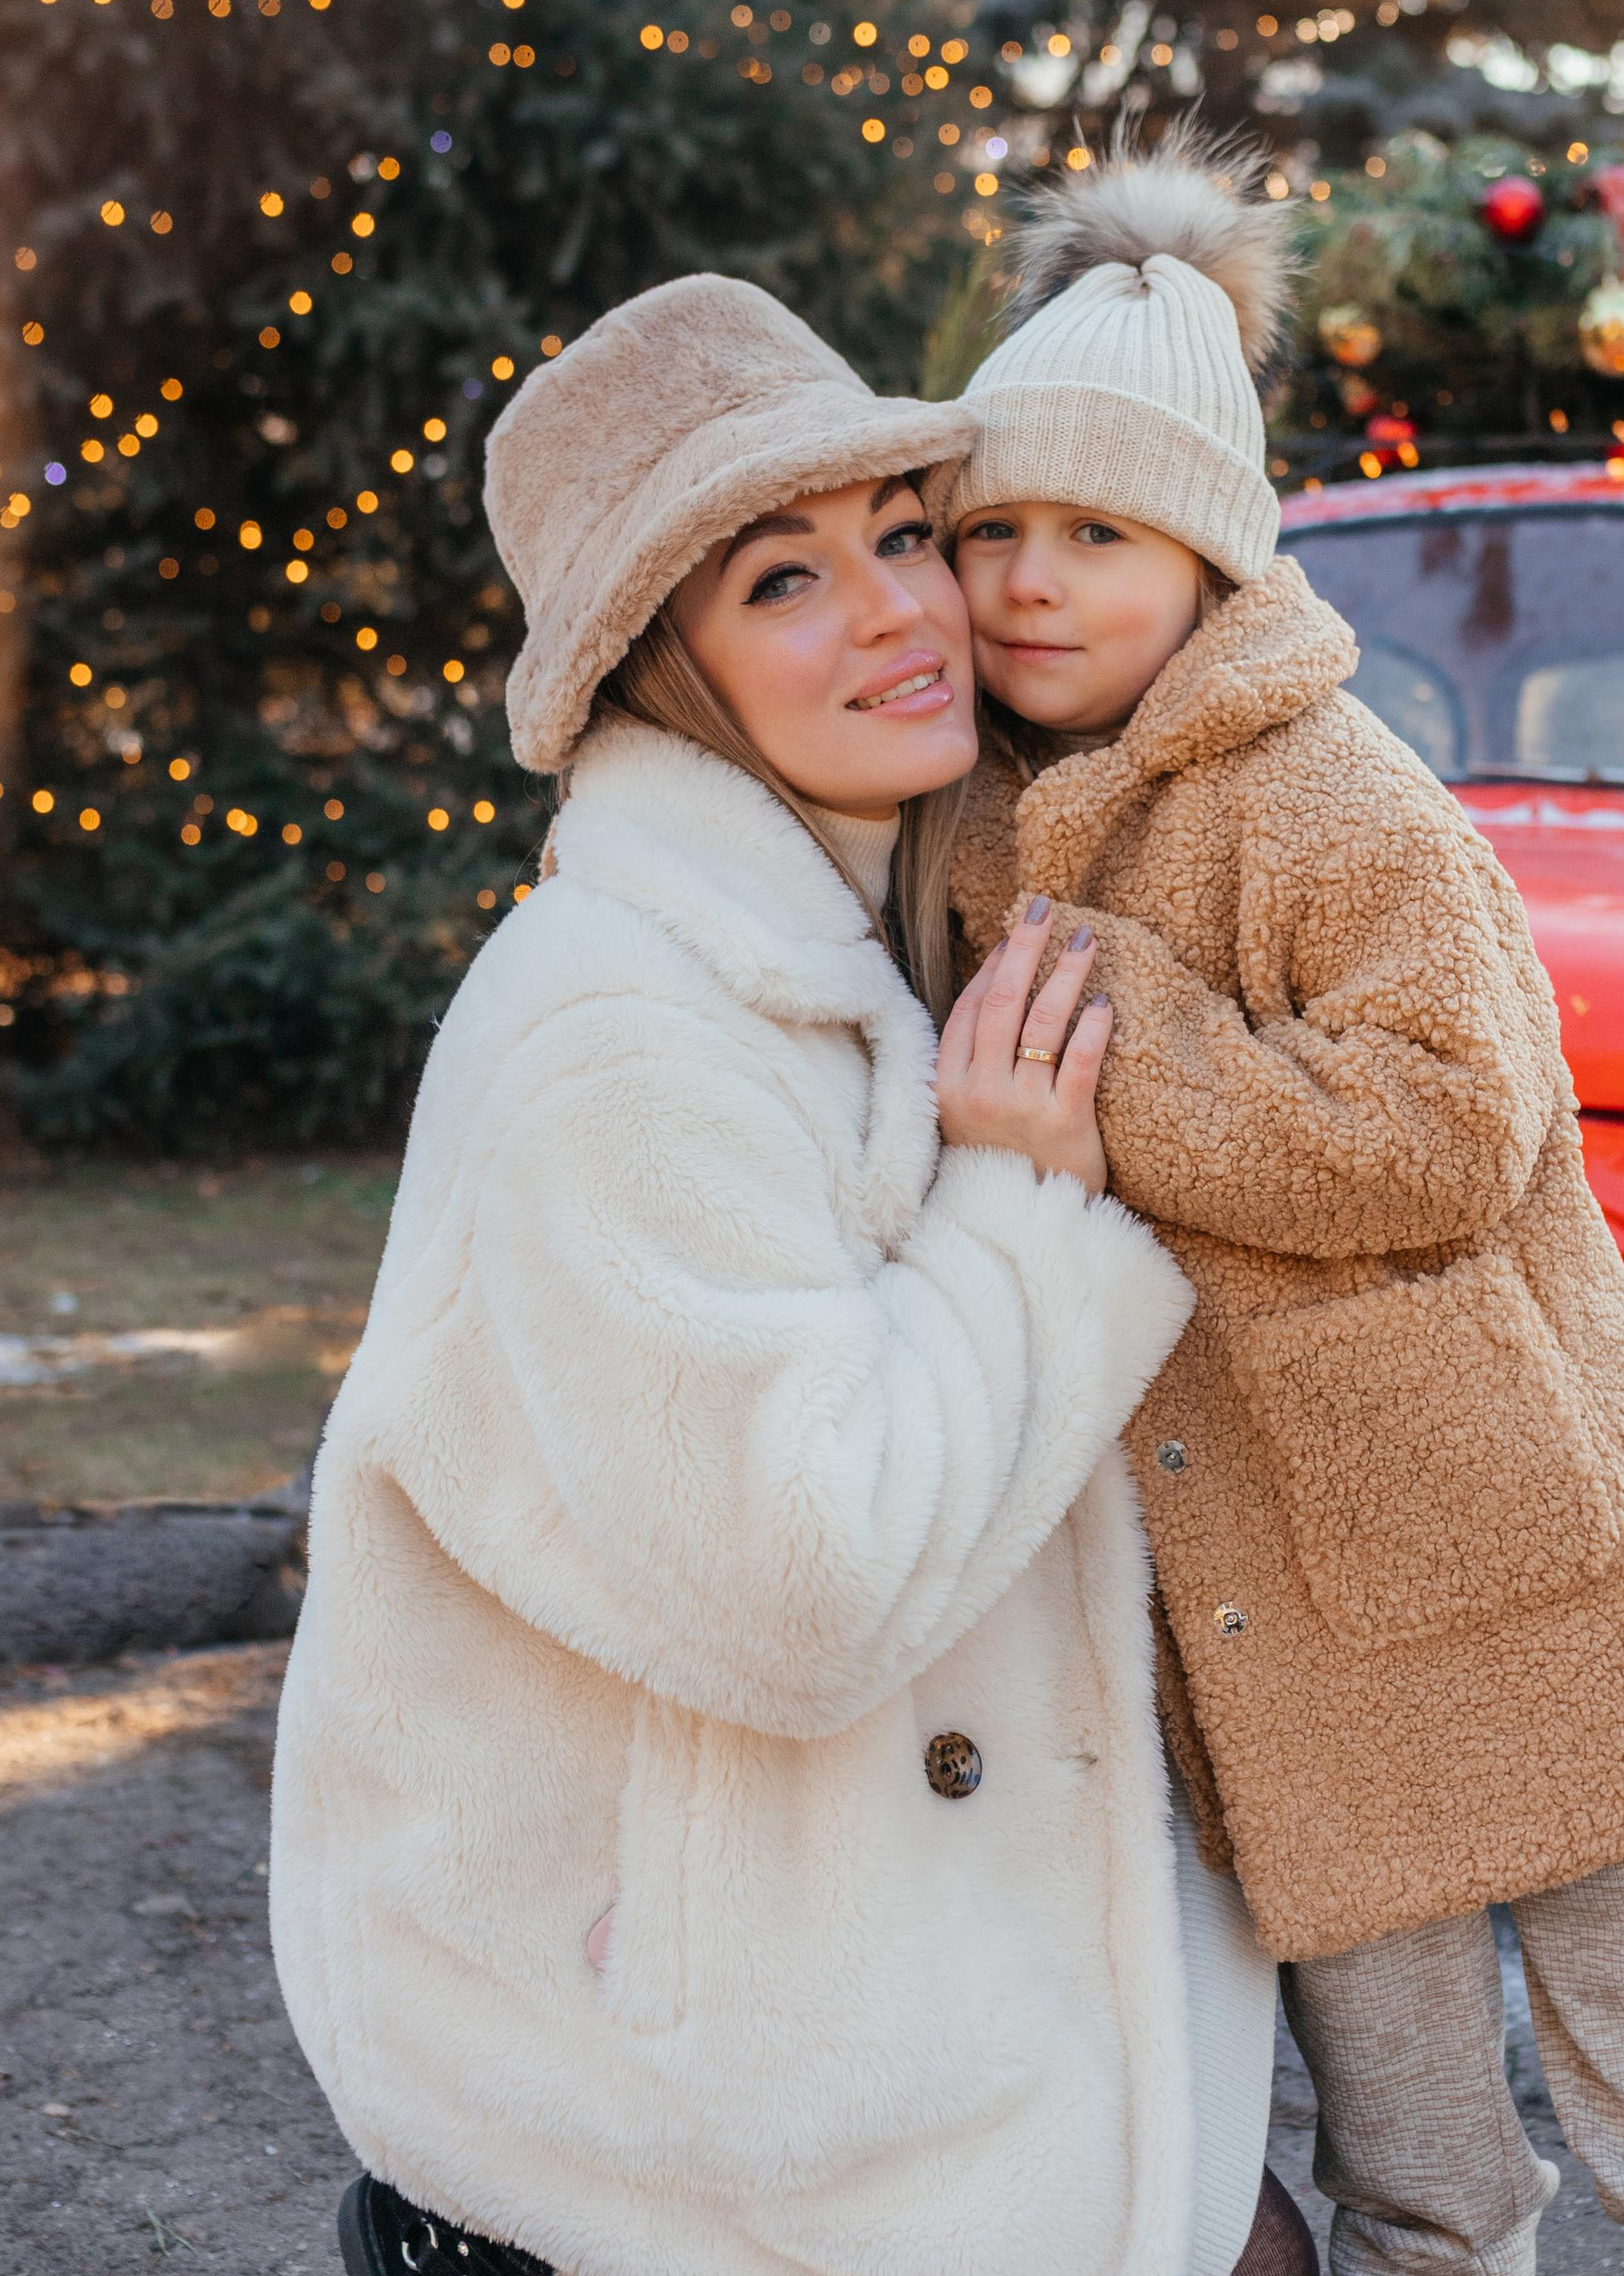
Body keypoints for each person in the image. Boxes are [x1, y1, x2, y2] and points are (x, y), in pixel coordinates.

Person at [270, 272, 1309, 2276]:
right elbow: (803, 1577)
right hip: (698, 2103)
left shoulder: (882, 938)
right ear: (658, 670)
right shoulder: (618, 1030)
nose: (903, 612)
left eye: (902, 536)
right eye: (782, 581)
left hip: (917, 2013)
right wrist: (1025, 1215)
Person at [938, 130, 1624, 2276]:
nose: (1029, 582)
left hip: (1506, 1545)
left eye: (1095, 531)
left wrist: (1120, 1043)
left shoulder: (1332, 795)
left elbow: (1443, 1130)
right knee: (1415, 2162)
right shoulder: (985, 811)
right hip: (1270, 1611)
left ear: (1208, 554)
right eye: (991, 530)